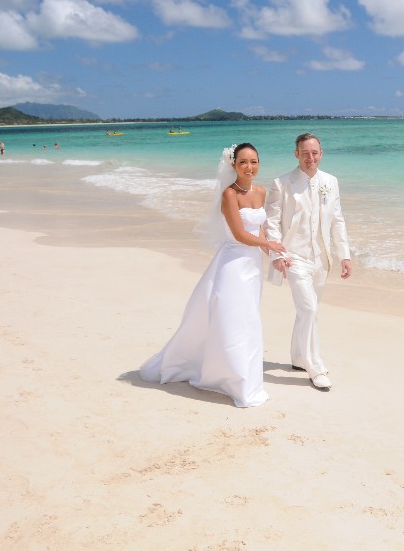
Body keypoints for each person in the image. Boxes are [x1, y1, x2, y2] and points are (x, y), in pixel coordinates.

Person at [139, 143, 285, 407]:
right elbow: (240, 235)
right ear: (233, 165)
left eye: (254, 161)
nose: (249, 167)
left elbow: (259, 230)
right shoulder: (229, 195)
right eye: (243, 162)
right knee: (232, 320)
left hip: (252, 266)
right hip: (232, 264)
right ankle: (233, 381)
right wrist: (269, 245)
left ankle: (239, 377)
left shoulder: (260, 192)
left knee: (248, 320)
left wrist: (275, 256)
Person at [265, 132, 352, 392]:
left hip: (321, 259)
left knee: (308, 310)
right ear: (296, 154)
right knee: (309, 309)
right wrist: (278, 255)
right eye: (305, 153)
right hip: (294, 257)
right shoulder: (281, 184)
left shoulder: (331, 182)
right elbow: (271, 222)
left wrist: (344, 255)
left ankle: (297, 358)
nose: (310, 158)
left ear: (321, 153)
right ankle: (315, 367)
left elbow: (337, 220)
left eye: (314, 153)